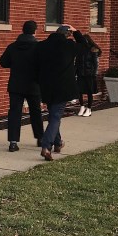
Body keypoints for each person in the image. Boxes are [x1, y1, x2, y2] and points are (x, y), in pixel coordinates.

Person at [35, 24, 86, 161]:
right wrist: (76, 31)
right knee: (55, 116)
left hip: (46, 86)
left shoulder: (41, 46)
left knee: (53, 115)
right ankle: (46, 146)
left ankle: (58, 143)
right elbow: (84, 45)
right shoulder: (69, 45)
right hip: (63, 87)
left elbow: (35, 64)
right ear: (67, 34)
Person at [0, 20, 44, 152]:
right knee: (36, 112)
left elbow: (3, 62)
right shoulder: (38, 47)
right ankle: (40, 138)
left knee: (14, 113)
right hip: (33, 85)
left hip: (16, 85)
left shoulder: (12, 46)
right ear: (34, 31)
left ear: (22, 30)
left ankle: (13, 142)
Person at [75, 34, 102, 117]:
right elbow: (77, 62)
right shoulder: (80, 50)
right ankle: (82, 106)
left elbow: (96, 63)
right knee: (79, 91)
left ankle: (89, 108)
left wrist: (94, 74)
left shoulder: (93, 50)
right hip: (81, 73)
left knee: (89, 91)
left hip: (89, 74)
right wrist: (75, 72)